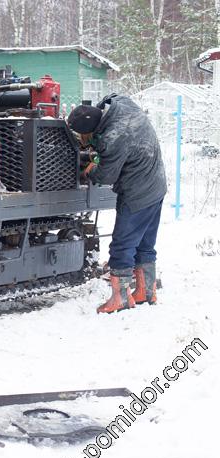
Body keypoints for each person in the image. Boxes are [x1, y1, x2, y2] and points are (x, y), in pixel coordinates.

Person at [68, 95, 167, 314]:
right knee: (144, 244)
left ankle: (120, 298)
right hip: (157, 184)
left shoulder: (112, 139)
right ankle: (146, 292)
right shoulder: (123, 106)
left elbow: (106, 175)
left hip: (137, 193)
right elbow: (113, 97)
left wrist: (91, 169)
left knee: (122, 245)